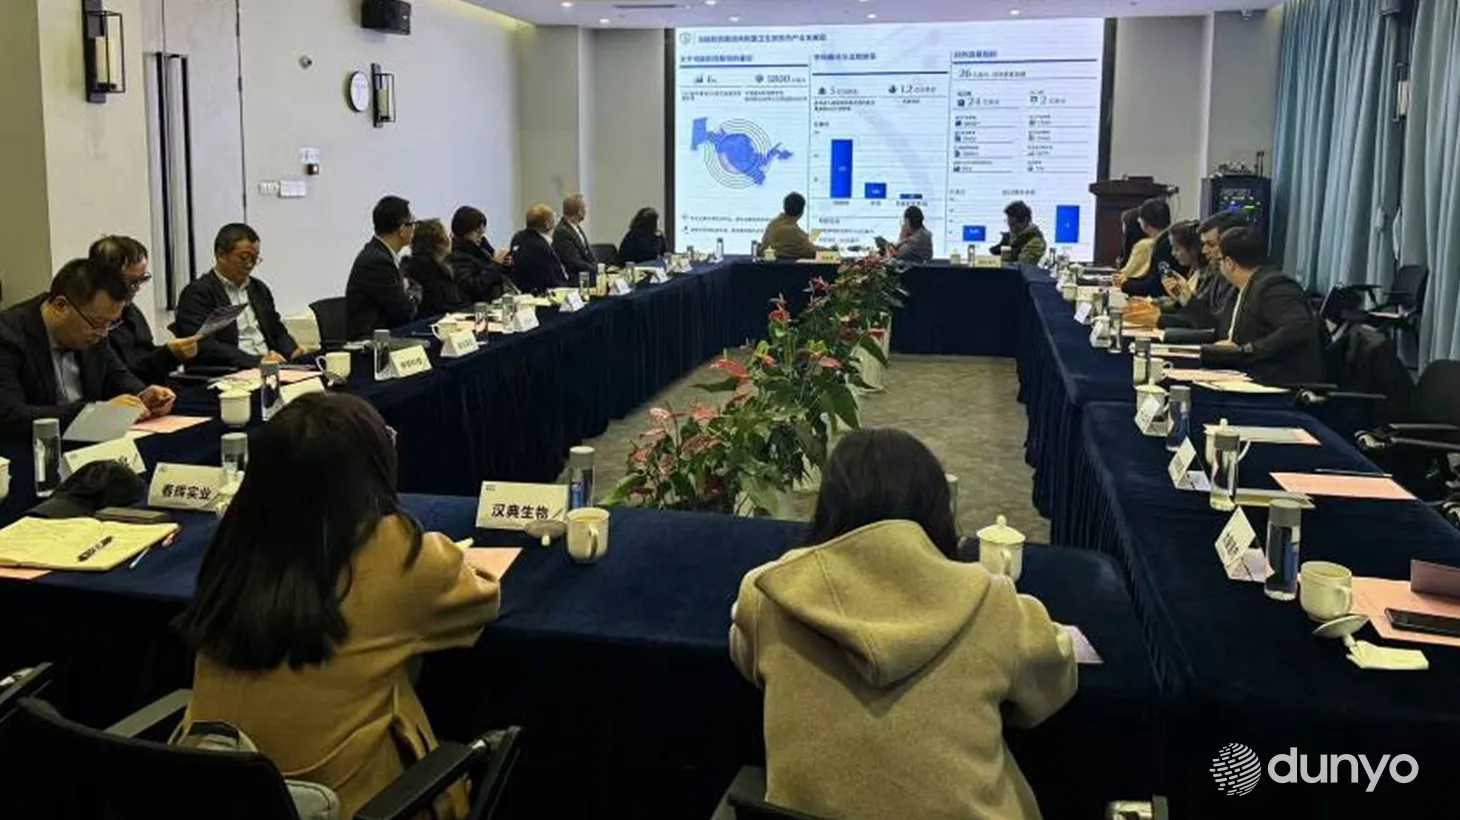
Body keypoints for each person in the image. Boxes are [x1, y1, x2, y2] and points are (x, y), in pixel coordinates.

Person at [173, 392, 502, 820]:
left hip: (211, 797)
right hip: (349, 804)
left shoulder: (235, 546)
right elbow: (482, 597)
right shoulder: (397, 550)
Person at [730, 428, 1076, 820]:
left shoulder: (769, 593)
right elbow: (1052, 684)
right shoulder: (993, 602)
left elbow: (745, 655)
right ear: (937, 511)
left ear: (828, 508)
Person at [0, 259, 176, 437]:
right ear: (61, 306)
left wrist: (142, 395)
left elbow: (115, 375)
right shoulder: (7, 335)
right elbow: (10, 415)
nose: (104, 333)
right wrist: (95, 413)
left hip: (90, 441)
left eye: (110, 324)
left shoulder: (94, 330)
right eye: (98, 323)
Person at [1200, 227, 1325, 385]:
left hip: (1278, 382)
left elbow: (1297, 328)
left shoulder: (1274, 286)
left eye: (1220, 261)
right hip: (1245, 374)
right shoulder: (1241, 288)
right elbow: (1219, 327)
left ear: (1229, 263)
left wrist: (1246, 351)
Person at [173, 224, 302, 369]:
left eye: (255, 259)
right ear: (221, 255)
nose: (250, 264)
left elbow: (276, 330)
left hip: (270, 366)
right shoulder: (198, 293)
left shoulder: (258, 289)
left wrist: (292, 351)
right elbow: (202, 345)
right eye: (244, 258)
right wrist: (255, 361)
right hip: (230, 370)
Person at [89, 236, 199, 383]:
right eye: (131, 281)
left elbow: (145, 354)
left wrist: (175, 352)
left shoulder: (130, 310)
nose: (137, 288)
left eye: (142, 279)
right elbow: (121, 378)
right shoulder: (93, 322)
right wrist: (167, 355)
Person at [346, 195, 421, 339]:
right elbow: (405, 312)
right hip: (371, 342)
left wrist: (408, 292)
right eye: (413, 223)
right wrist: (414, 293)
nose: (415, 229)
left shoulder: (381, 254)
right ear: (401, 229)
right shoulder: (377, 262)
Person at [1116, 198, 1180, 298]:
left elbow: (1155, 285)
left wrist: (1126, 284)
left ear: (1145, 224)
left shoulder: (1163, 246)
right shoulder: (1165, 240)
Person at [402, 219, 466, 317]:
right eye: (448, 236)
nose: (451, 239)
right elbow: (445, 306)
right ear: (439, 242)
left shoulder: (435, 266)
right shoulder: (427, 270)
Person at [449, 206, 510, 302]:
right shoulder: (458, 256)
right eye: (477, 232)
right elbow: (473, 286)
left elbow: (496, 274)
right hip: (477, 305)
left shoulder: (483, 248)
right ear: (464, 232)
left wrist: (505, 264)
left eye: (482, 231)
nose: (480, 236)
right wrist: (496, 264)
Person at [508, 204, 570, 294]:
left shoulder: (518, 237)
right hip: (545, 293)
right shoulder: (541, 247)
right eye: (554, 218)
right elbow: (553, 280)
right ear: (547, 224)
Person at [759, 193, 824, 261]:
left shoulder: (772, 225)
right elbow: (812, 251)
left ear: (784, 207)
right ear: (802, 212)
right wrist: (830, 251)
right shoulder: (793, 232)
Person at [552, 193, 597, 283]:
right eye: (584, 208)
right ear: (579, 211)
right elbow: (574, 262)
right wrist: (597, 270)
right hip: (576, 279)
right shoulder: (561, 232)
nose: (586, 210)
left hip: (588, 275)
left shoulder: (575, 227)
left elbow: (588, 255)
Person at [994, 200, 1048, 265]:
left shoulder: (1036, 241)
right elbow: (1005, 259)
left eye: (1012, 224)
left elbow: (1021, 264)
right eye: (1008, 221)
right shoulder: (1013, 235)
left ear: (1024, 221)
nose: (1009, 226)